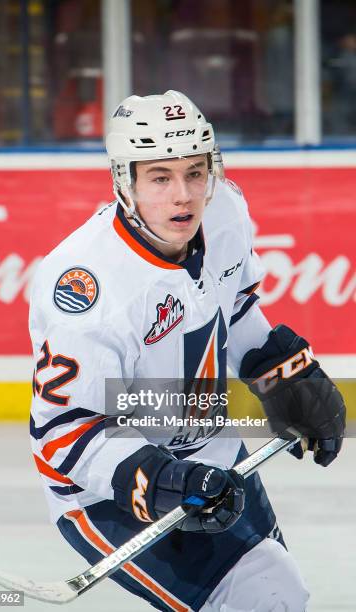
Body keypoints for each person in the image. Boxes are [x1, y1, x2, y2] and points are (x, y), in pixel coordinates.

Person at [29, 90, 345, 611]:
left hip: (209, 448)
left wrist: (284, 373)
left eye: (195, 173)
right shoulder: (86, 286)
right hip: (108, 491)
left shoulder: (225, 214)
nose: (184, 196)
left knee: (278, 595)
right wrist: (163, 480)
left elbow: (234, 308)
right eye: (160, 177)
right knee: (269, 599)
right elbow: (64, 434)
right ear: (124, 181)